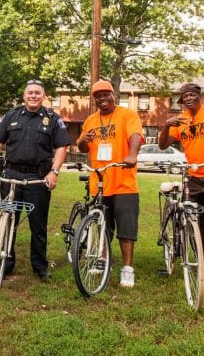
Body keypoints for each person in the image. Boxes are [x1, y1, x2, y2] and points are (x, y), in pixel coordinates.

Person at [0, 79, 70, 281]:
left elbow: (62, 146)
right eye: (30, 92)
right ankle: (6, 262)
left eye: (38, 93)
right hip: (11, 175)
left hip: (38, 178)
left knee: (38, 225)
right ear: (24, 95)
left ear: (44, 96)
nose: (34, 96)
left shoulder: (53, 118)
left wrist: (54, 171)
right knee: (8, 219)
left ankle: (39, 266)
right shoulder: (11, 115)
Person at [158, 82, 204, 285]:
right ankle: (195, 256)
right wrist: (166, 126)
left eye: (191, 95)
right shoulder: (181, 119)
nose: (188, 98)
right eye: (184, 96)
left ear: (199, 96)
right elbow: (163, 145)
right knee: (192, 220)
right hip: (193, 177)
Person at [75, 80, 142, 288]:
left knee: (126, 228)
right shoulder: (91, 120)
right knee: (102, 225)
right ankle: (103, 260)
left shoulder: (127, 114)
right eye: (98, 96)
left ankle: (127, 269)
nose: (102, 99)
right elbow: (83, 147)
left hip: (124, 182)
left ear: (114, 95)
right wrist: (82, 140)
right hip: (100, 181)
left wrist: (131, 155)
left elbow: (136, 136)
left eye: (106, 94)